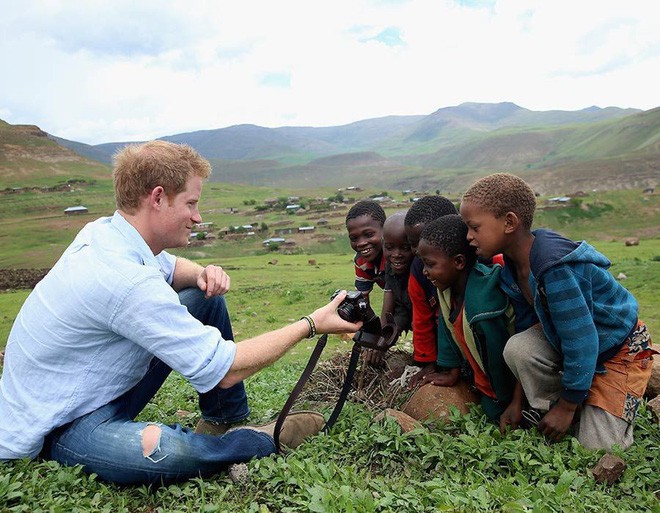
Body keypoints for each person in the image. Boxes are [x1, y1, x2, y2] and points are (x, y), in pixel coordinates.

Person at [0, 140, 360, 485]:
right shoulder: (123, 279)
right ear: (157, 197)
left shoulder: (108, 233)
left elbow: (172, 269)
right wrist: (311, 324)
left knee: (206, 297)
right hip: (63, 421)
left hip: (95, 387)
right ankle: (258, 440)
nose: (197, 217)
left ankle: (224, 418)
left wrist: (202, 274)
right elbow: (227, 370)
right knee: (163, 453)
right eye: (191, 203)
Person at [460, 172, 656, 450]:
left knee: (597, 448)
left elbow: (583, 341)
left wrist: (566, 407)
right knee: (519, 347)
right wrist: (517, 402)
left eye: (474, 227)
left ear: (509, 222)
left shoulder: (554, 268)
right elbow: (531, 328)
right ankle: (566, 401)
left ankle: (573, 404)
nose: (468, 237)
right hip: (572, 344)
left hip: (618, 349)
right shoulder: (511, 270)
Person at [415, 215, 521, 429]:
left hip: (509, 382)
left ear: (459, 262)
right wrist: (451, 371)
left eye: (430, 264)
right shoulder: (446, 290)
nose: (424, 272)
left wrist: (506, 400)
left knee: (496, 417)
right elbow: (447, 327)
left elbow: (498, 360)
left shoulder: (483, 307)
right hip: (482, 380)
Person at [403, 195, 459, 386]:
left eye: (424, 240)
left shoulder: (481, 264)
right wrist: (427, 362)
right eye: (412, 244)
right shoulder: (419, 271)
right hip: (444, 342)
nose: (418, 251)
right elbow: (421, 318)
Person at [365, 211, 414, 366]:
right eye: (389, 247)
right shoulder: (390, 269)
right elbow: (399, 311)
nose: (396, 254)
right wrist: (382, 340)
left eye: (405, 247)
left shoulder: (422, 272)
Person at [345, 200, 387, 297]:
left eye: (368, 235)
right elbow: (361, 298)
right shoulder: (361, 261)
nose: (361, 243)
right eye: (354, 238)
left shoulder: (398, 256)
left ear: (385, 229)